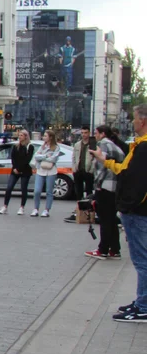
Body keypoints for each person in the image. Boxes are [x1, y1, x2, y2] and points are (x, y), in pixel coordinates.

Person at [91, 104, 147, 321]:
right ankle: (142, 300)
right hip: (136, 210)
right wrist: (105, 160)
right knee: (141, 259)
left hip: (138, 211)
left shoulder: (143, 148)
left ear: (142, 121)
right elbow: (124, 170)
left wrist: (127, 205)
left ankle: (143, 306)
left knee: (142, 260)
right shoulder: (138, 146)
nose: (132, 122)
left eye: (134, 119)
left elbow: (137, 182)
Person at [86, 124, 125, 259]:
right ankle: (115, 249)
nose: (95, 136)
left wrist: (97, 184)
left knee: (105, 219)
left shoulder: (103, 144)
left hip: (105, 186)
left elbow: (102, 167)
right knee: (112, 218)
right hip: (115, 187)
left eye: (96, 133)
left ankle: (102, 249)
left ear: (102, 134)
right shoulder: (116, 146)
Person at [0, 130, 34, 215]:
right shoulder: (15, 146)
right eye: (19, 135)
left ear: (26, 136)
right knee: (9, 187)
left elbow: (27, 160)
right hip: (15, 170)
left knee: (23, 189)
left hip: (25, 170)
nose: (20, 137)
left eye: (21, 135)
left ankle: (22, 207)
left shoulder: (29, 146)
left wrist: (19, 169)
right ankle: (5, 206)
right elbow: (13, 158)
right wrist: (15, 168)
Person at [67, 125, 97, 222]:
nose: (84, 135)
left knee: (89, 191)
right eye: (82, 133)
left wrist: (91, 169)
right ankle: (78, 210)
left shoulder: (93, 144)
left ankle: (89, 210)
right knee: (78, 191)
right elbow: (74, 157)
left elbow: (95, 158)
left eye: (86, 133)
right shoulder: (77, 144)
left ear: (89, 133)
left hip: (88, 171)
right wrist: (74, 168)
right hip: (78, 170)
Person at [31, 130, 62, 218]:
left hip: (51, 171)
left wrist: (43, 157)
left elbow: (53, 159)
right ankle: (36, 209)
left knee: (49, 191)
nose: (43, 137)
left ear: (50, 137)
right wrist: (45, 156)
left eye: (45, 136)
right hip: (40, 170)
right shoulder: (42, 146)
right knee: (37, 191)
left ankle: (46, 210)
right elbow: (36, 156)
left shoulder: (56, 147)